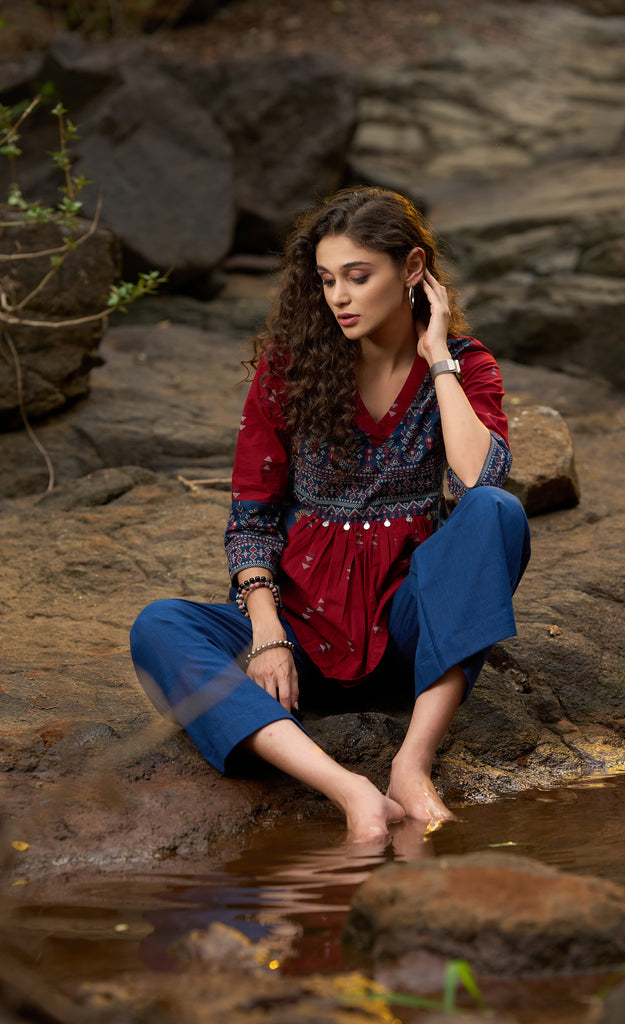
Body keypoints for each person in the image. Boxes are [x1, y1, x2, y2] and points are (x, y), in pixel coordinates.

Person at [130, 187, 531, 842]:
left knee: (497, 512)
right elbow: (253, 512)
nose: (338, 296)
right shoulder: (290, 368)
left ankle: (410, 765)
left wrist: (437, 357)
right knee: (160, 627)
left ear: (411, 270)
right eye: (325, 280)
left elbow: (476, 477)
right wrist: (265, 629)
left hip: (410, 633)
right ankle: (348, 790)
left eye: (357, 276)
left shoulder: (466, 365)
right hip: (300, 633)